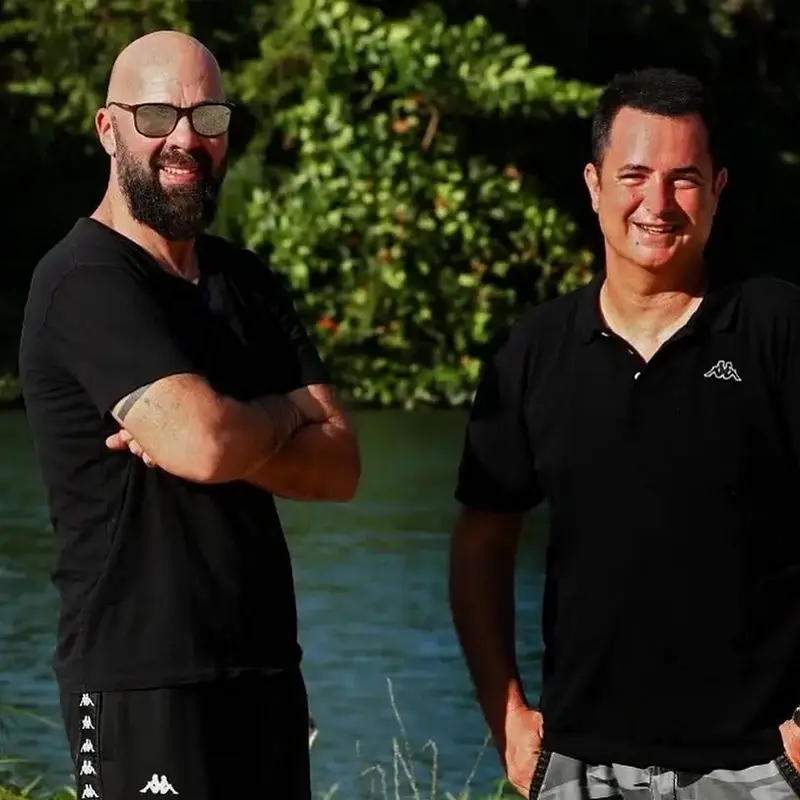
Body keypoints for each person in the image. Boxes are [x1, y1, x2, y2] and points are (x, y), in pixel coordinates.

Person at [18, 30, 360, 800]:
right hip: (139, 684)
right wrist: (283, 413)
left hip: (265, 676)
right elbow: (203, 445)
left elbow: (340, 466)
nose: (184, 139)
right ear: (108, 129)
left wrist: (238, 426)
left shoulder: (247, 283)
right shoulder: (83, 281)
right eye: (155, 116)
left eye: (207, 118)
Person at [449, 66, 800, 799]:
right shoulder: (534, 352)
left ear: (719, 187)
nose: (657, 203)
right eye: (634, 175)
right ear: (594, 184)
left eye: (684, 179)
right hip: (579, 768)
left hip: (759, 769)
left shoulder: (778, 329)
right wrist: (507, 718)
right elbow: (482, 542)